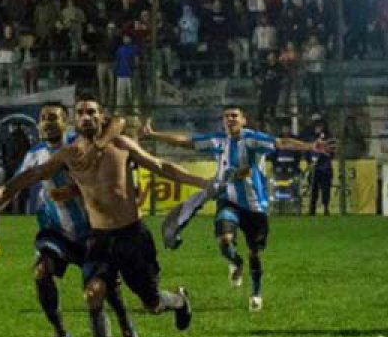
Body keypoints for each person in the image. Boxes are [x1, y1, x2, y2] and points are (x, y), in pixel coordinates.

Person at [0, 93, 206, 337]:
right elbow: (33, 175)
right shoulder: (69, 154)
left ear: (102, 117)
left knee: (152, 303)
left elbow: (161, 166)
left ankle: (178, 301)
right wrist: (3, 192)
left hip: (133, 237)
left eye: (91, 112)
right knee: (93, 293)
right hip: (98, 238)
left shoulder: (120, 144)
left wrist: (202, 182)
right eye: (81, 113)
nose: (86, 117)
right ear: (75, 121)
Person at [0, 102, 138, 337]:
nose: (47, 122)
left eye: (53, 117)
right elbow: (17, 184)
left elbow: (116, 132)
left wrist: (74, 190)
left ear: (66, 122)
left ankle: (124, 322)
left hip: (92, 229)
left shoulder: (82, 144)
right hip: (56, 230)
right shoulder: (34, 154)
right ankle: (60, 333)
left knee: (106, 288)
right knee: (41, 271)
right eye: (43, 118)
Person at [141, 107, 330, 311]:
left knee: (254, 253)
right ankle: (236, 263)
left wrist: (311, 146)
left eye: (234, 116)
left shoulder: (253, 139)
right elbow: (185, 141)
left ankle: (256, 293)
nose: (230, 119)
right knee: (224, 240)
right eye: (226, 116)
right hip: (228, 200)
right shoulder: (217, 141)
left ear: (243, 120)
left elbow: (281, 143)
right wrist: (154, 134)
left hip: (255, 205)